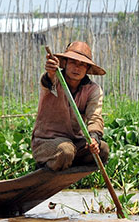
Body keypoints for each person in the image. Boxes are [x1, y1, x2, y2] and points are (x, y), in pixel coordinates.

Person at [31, 41, 110, 171]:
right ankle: (46, 166)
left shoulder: (93, 90)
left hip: (75, 143)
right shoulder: (54, 79)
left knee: (103, 150)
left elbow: (95, 117)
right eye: (73, 62)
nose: (77, 68)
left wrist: (94, 139)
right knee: (65, 151)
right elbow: (48, 81)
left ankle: (68, 165)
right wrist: (51, 72)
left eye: (82, 65)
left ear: (87, 69)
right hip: (46, 142)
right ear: (65, 63)